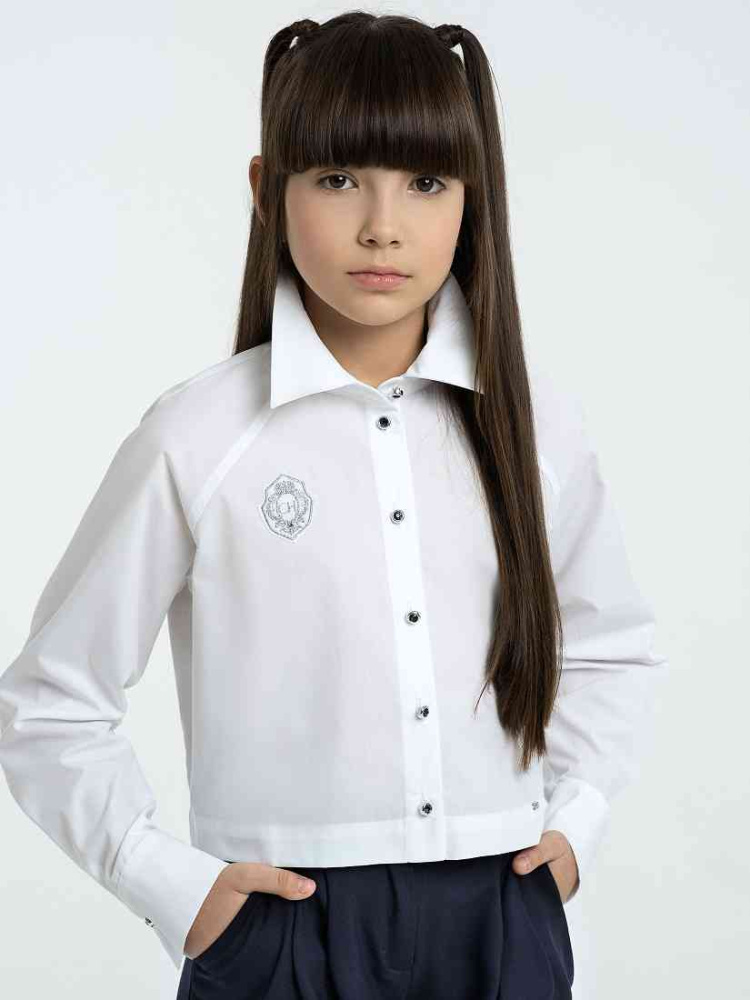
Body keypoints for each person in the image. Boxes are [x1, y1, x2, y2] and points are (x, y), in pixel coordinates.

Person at [0, 11, 668, 999]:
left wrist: (575, 825)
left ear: (474, 198)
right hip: (282, 926)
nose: (383, 225)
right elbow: (51, 701)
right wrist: (177, 888)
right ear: (268, 189)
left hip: (502, 913)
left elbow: (611, 648)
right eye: (339, 178)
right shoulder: (197, 436)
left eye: (427, 182)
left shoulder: (536, 430)